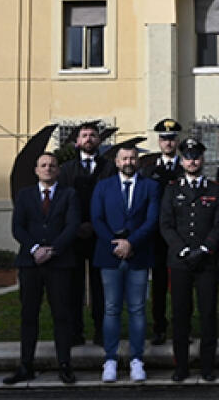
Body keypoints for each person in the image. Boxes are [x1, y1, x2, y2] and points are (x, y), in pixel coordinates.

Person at [4, 152, 79, 385]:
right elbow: (18, 228)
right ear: (36, 170)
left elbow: (72, 225)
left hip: (59, 263)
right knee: (29, 315)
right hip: (31, 263)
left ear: (58, 170)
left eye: (52, 165)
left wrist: (52, 249)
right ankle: (26, 365)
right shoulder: (25, 195)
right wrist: (35, 248)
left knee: (62, 316)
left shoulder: (69, 194)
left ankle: (64, 365)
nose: (48, 168)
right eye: (43, 165)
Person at [90, 136, 160, 383]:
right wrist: (116, 243)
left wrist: (132, 243)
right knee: (111, 309)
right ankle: (110, 359)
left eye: (132, 158)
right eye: (124, 158)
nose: (129, 162)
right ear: (116, 161)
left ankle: (136, 359)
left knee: (137, 309)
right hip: (109, 255)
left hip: (139, 254)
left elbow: (152, 220)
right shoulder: (103, 186)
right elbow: (97, 219)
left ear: (138, 161)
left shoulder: (150, 186)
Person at [159, 137, 219, 383]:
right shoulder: (172, 189)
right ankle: (182, 366)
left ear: (203, 159)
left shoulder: (215, 189)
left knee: (208, 314)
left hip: (207, 261)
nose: (192, 161)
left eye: (196, 156)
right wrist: (184, 250)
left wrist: (205, 248)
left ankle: (208, 366)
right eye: (188, 156)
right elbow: (166, 224)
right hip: (180, 262)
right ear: (182, 160)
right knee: (180, 314)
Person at [57, 121, 116, 347]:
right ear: (77, 141)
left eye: (93, 135)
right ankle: (75, 332)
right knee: (74, 288)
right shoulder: (66, 170)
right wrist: (76, 226)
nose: (89, 139)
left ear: (99, 141)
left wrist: (96, 225)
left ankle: (101, 332)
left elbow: (112, 201)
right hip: (73, 237)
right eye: (84, 135)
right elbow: (62, 203)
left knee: (101, 287)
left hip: (101, 236)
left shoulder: (109, 168)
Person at [138, 118, 184, 346]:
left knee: (180, 284)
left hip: (181, 234)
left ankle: (181, 325)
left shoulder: (184, 167)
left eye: (172, 138)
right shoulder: (149, 170)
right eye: (165, 139)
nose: (168, 142)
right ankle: (159, 326)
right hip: (156, 236)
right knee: (158, 284)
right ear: (159, 141)